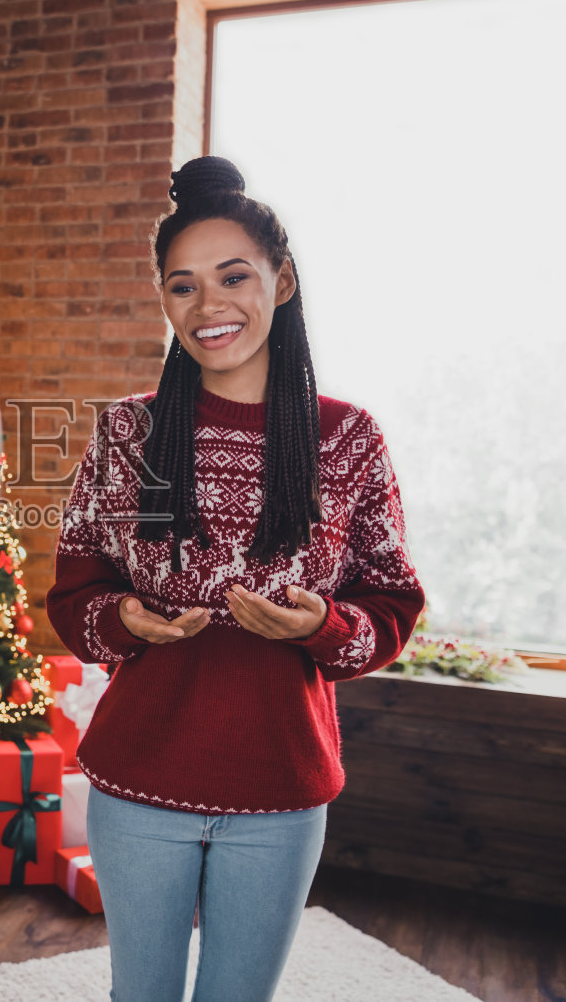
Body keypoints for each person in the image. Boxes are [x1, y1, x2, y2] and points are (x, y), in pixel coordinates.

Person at [45, 155, 426, 1001]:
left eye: (232, 276)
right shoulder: (125, 433)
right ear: (164, 302)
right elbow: (73, 597)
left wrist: (319, 627)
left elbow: (394, 601)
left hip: (282, 788)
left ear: (281, 283)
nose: (209, 306)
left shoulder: (350, 439)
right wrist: (126, 622)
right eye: (182, 286)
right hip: (139, 780)